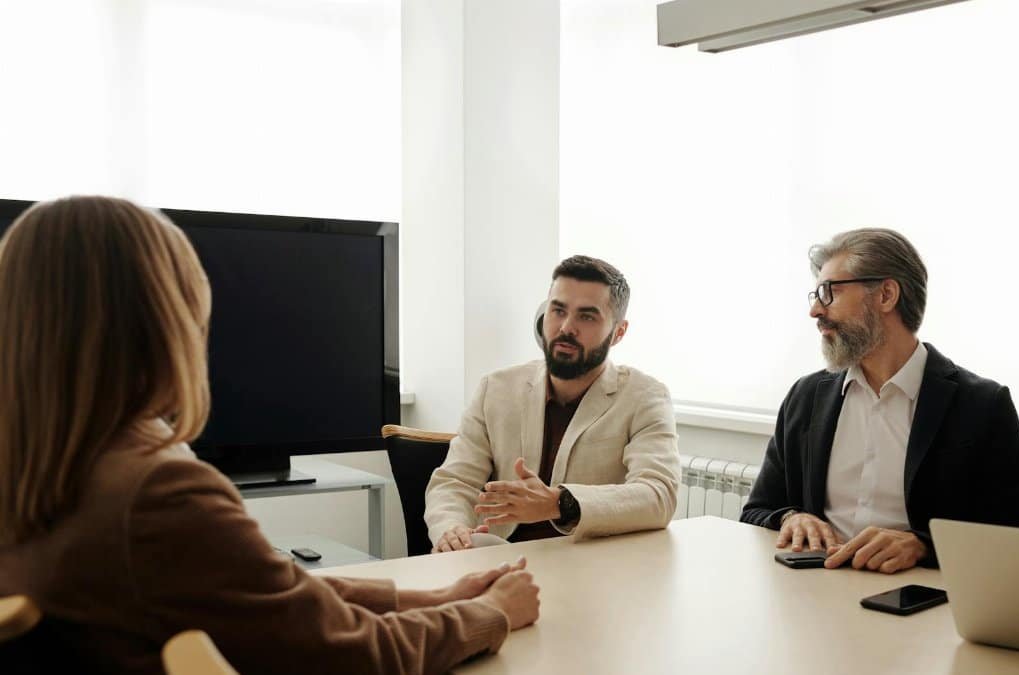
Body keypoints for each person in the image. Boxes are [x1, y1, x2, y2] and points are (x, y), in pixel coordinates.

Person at [0, 196, 539, 674]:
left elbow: (266, 598)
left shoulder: (41, 474)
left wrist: (430, 596)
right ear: (165, 321)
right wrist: (488, 615)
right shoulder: (157, 496)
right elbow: (349, 655)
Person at [740, 228, 1019, 573]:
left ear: (886, 295)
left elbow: (1013, 536)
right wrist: (792, 518)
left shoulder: (982, 405)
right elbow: (756, 511)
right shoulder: (805, 398)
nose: (816, 310)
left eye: (830, 292)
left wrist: (923, 545)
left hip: (920, 607)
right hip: (815, 592)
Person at [424, 255, 680, 552]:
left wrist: (560, 503)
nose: (565, 327)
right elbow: (454, 481)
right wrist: (452, 529)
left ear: (618, 333)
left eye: (586, 316)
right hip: (497, 559)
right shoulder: (495, 389)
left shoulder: (645, 397)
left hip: (591, 570)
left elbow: (658, 495)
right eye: (558, 311)